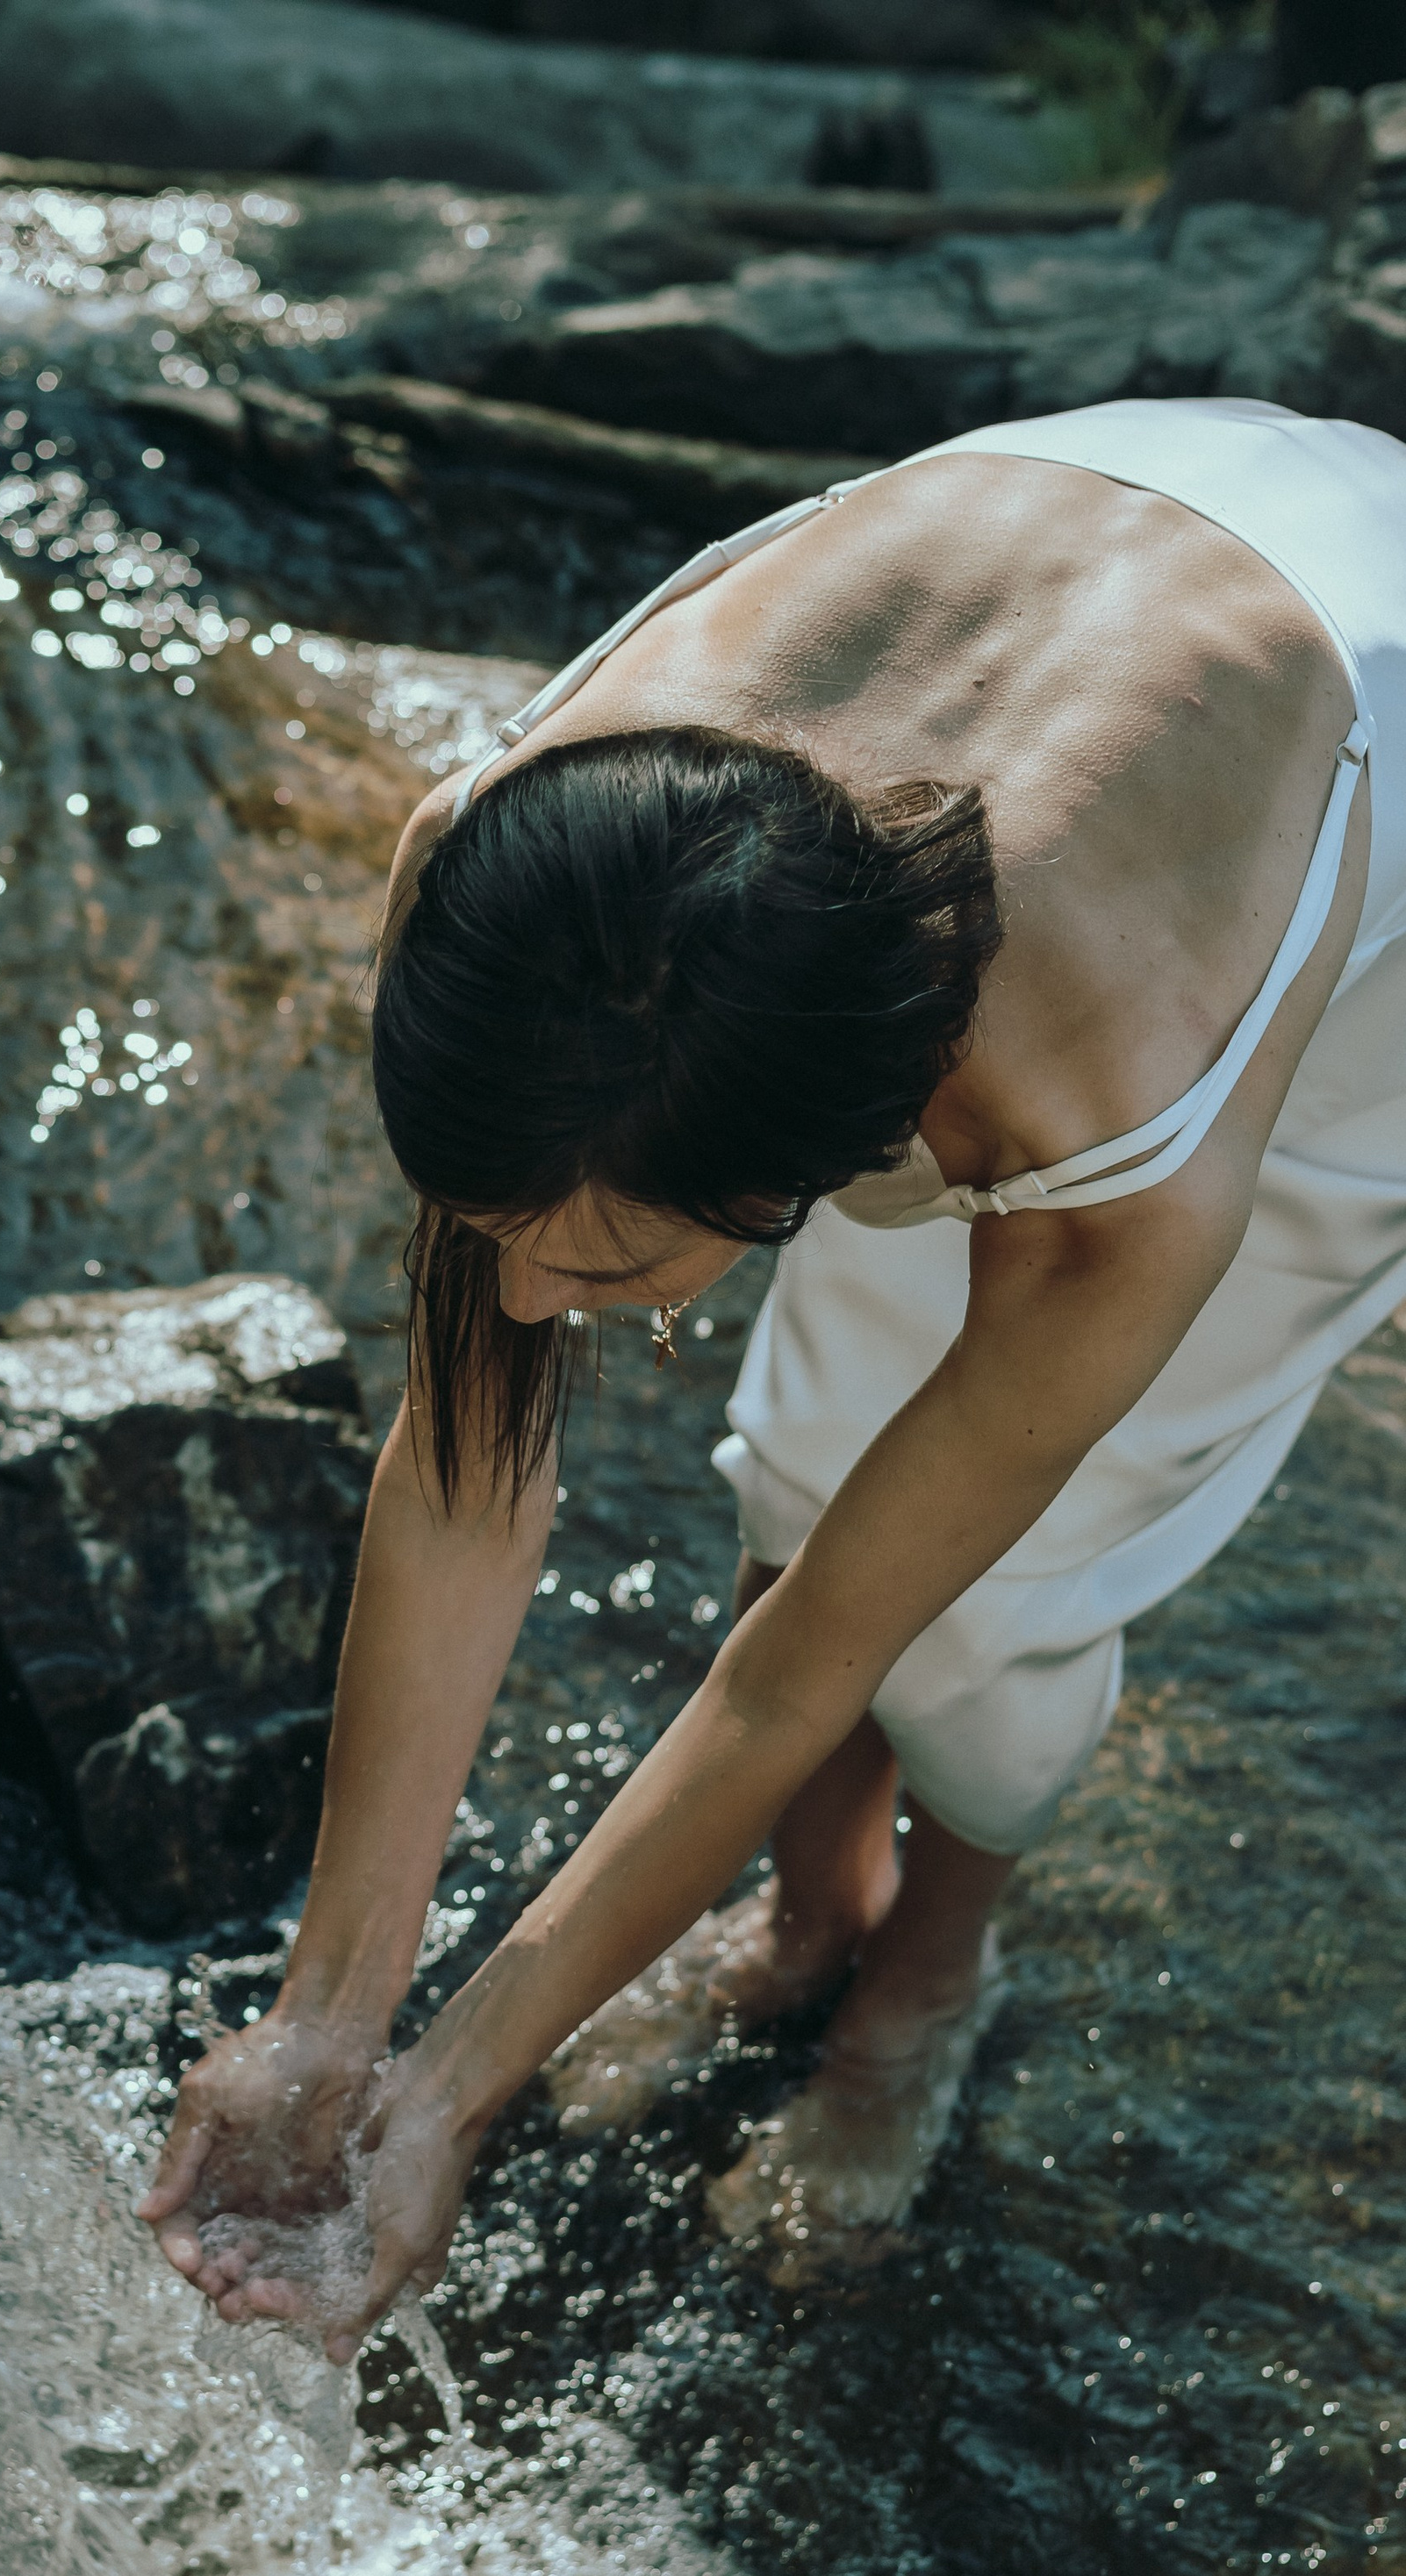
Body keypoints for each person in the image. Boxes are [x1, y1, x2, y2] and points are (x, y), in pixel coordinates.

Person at [139, 397, 1406, 2351]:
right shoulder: (521, 892)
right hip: (1065, 549)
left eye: (614, 1263)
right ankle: (815, 1908)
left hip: (1351, 798)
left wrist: (451, 2098)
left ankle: (922, 1980)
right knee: (807, 1457)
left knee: (986, 1605)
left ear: (821, 1163)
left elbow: (804, 1658)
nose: (533, 1301)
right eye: (493, 1230)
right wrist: (331, 2022)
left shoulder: (1116, 1138)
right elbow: (471, 1454)